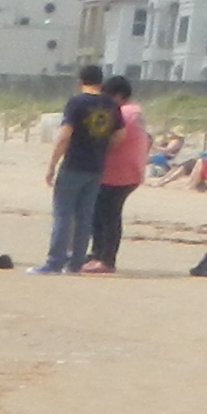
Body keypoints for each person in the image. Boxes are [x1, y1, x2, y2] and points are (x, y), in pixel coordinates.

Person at [39, 65, 119, 273]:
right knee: (85, 216)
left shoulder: (77, 102)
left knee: (63, 214)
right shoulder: (110, 104)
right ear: (101, 82)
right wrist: (102, 148)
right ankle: (76, 263)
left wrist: (51, 165)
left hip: (74, 164)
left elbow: (65, 135)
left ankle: (54, 262)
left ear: (80, 81)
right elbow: (120, 135)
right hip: (96, 166)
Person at [88, 70, 147, 272]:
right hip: (132, 171)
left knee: (108, 215)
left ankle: (106, 259)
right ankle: (98, 254)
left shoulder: (122, 113)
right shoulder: (136, 111)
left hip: (118, 173)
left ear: (118, 96)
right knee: (102, 212)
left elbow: (112, 139)